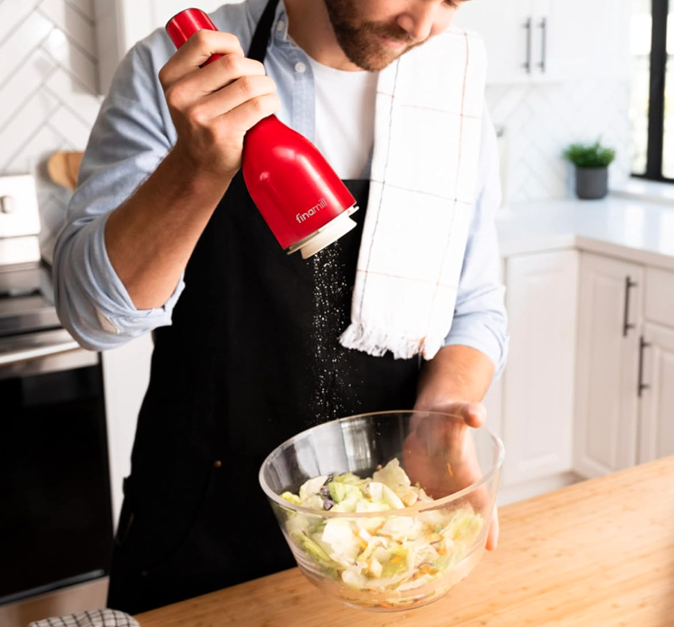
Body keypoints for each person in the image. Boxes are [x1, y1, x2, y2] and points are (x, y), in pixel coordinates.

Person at [53, 0, 508, 614]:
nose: (421, 25)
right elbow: (91, 316)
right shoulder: (179, 70)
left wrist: (442, 412)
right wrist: (196, 167)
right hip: (199, 518)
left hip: (380, 523)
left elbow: (476, 304)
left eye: (452, 0)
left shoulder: (449, 89)